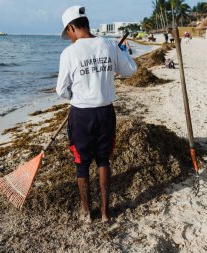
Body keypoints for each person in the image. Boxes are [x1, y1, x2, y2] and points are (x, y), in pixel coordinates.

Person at [56, 5, 137, 223]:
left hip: (81, 115)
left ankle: (86, 212)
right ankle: (105, 212)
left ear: (72, 27)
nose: (70, 38)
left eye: (69, 34)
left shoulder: (69, 53)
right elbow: (130, 71)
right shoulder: (110, 45)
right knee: (103, 159)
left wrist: (78, 94)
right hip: (105, 113)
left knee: (81, 163)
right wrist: (123, 51)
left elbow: (61, 90)